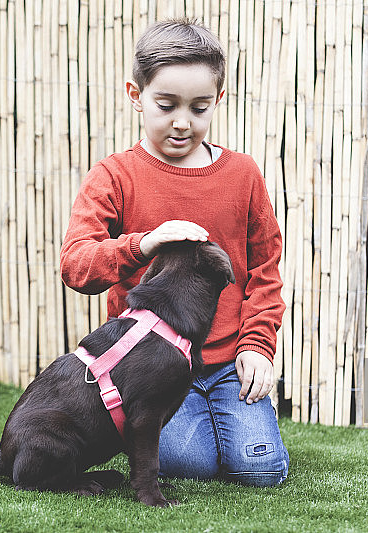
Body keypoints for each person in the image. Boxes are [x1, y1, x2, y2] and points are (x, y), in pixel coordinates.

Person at [60, 18, 288, 488]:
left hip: (228, 362)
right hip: (150, 366)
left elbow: (265, 268)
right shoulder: (113, 176)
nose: (183, 121)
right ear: (136, 94)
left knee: (261, 469)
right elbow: (76, 265)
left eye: (199, 108)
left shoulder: (243, 174)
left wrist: (257, 346)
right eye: (166, 105)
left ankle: (228, 414)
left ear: (218, 100)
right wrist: (141, 244)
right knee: (192, 466)